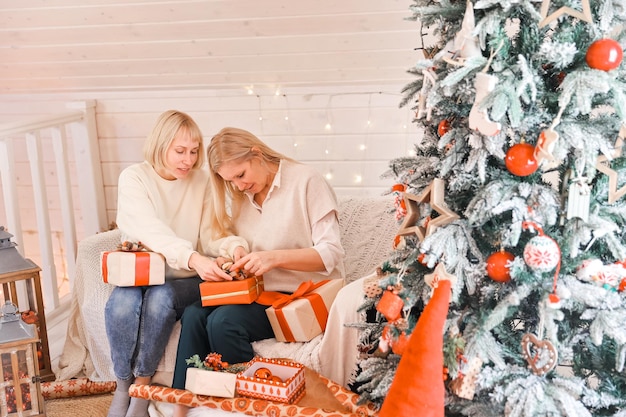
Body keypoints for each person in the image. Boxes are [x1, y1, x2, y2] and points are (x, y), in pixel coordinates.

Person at [171, 127, 345, 416]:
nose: (238, 186)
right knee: (193, 314)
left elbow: (331, 253)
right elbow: (244, 248)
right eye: (230, 180)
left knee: (223, 322)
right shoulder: (242, 196)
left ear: (256, 153)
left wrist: (274, 258)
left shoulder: (306, 181)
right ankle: (181, 405)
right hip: (261, 294)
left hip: (301, 297)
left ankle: (248, 407)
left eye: (240, 175)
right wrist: (235, 259)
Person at [105, 111, 248, 417]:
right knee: (120, 304)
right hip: (143, 273)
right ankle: (122, 386)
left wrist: (232, 246)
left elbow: (213, 233)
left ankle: (141, 390)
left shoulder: (202, 181)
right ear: (160, 146)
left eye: (194, 151)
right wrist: (191, 256)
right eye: (180, 151)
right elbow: (149, 229)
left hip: (184, 280)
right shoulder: (134, 177)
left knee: (162, 297)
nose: (188, 160)